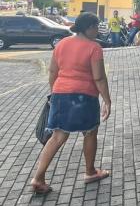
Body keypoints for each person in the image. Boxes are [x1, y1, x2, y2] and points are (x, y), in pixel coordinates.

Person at [30, 13, 111, 194]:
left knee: (58, 136)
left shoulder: (61, 44)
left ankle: (38, 177)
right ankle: (90, 172)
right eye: (96, 26)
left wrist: (55, 93)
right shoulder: (94, 47)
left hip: (60, 92)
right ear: (89, 27)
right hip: (84, 96)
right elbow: (98, 77)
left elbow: (53, 72)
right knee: (90, 132)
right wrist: (107, 100)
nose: (97, 30)